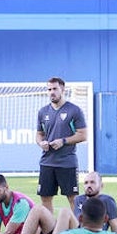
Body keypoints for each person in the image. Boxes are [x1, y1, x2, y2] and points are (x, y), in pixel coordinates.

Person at [0, 171, 117, 234]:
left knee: (65, 211)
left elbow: (115, 227)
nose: (88, 186)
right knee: (38, 209)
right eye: (86, 183)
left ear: (101, 185)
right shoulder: (79, 199)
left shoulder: (107, 201)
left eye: (92, 182)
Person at [35, 77, 87, 213]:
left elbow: (82, 135)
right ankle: (49, 231)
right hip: (47, 161)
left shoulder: (74, 110)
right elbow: (39, 134)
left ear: (62, 89)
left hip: (67, 162)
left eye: (55, 89)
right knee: (45, 198)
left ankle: (77, 230)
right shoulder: (42, 112)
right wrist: (42, 143)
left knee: (73, 199)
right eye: (49, 89)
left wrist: (63, 141)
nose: (52, 92)